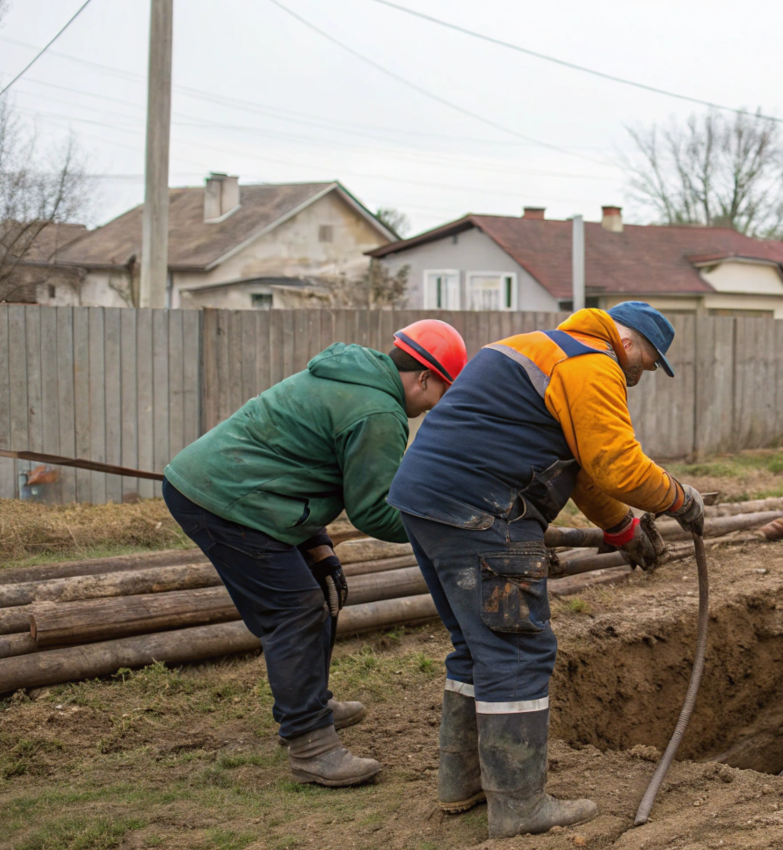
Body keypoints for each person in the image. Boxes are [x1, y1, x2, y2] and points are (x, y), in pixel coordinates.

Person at [387, 301, 704, 838]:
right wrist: (680, 499)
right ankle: (518, 806)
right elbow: (617, 464)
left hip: (425, 503)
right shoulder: (594, 364)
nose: (639, 377)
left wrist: (623, 530)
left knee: (473, 645)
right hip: (484, 513)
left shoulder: (540, 348)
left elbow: (580, 470)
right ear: (627, 345)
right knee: (517, 650)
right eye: (645, 365)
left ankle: (460, 784)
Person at [162, 320, 468, 788]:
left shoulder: (350, 377)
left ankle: (309, 704)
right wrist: (443, 526)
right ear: (425, 378)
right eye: (442, 393)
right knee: (296, 608)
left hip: (245, 491)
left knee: (321, 588)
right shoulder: (377, 412)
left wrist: (317, 542)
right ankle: (311, 746)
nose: (437, 406)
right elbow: (373, 511)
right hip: (226, 501)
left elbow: (299, 461)